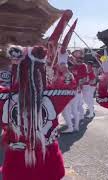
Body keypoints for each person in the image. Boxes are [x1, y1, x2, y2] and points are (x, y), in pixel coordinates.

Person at [0, 45, 75, 180]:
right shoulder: (54, 95)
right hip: (49, 163)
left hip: (15, 165)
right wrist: (64, 68)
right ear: (41, 71)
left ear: (15, 70)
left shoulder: (4, 97)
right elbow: (70, 86)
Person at [62, 49, 87, 133]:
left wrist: (79, 85)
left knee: (73, 109)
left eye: (78, 53)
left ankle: (75, 126)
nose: (75, 56)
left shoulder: (82, 66)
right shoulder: (70, 65)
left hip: (75, 89)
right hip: (67, 90)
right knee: (67, 109)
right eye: (74, 53)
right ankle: (70, 125)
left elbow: (84, 78)